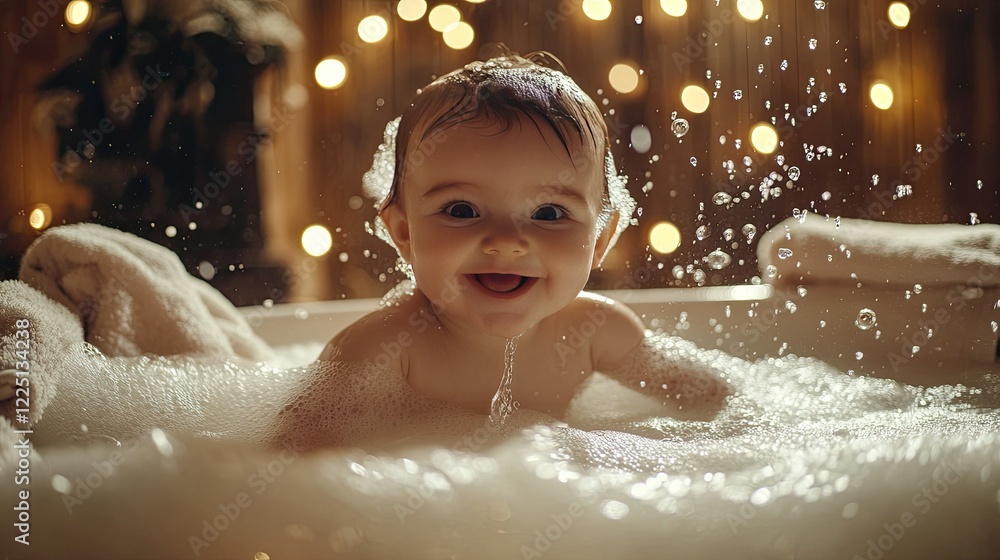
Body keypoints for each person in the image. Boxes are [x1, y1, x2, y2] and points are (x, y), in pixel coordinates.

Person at [274, 52, 733, 450]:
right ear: (404, 233)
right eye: (462, 210)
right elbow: (289, 465)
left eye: (549, 213)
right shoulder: (382, 350)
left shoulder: (597, 332)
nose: (507, 241)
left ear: (599, 240)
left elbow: (728, 407)